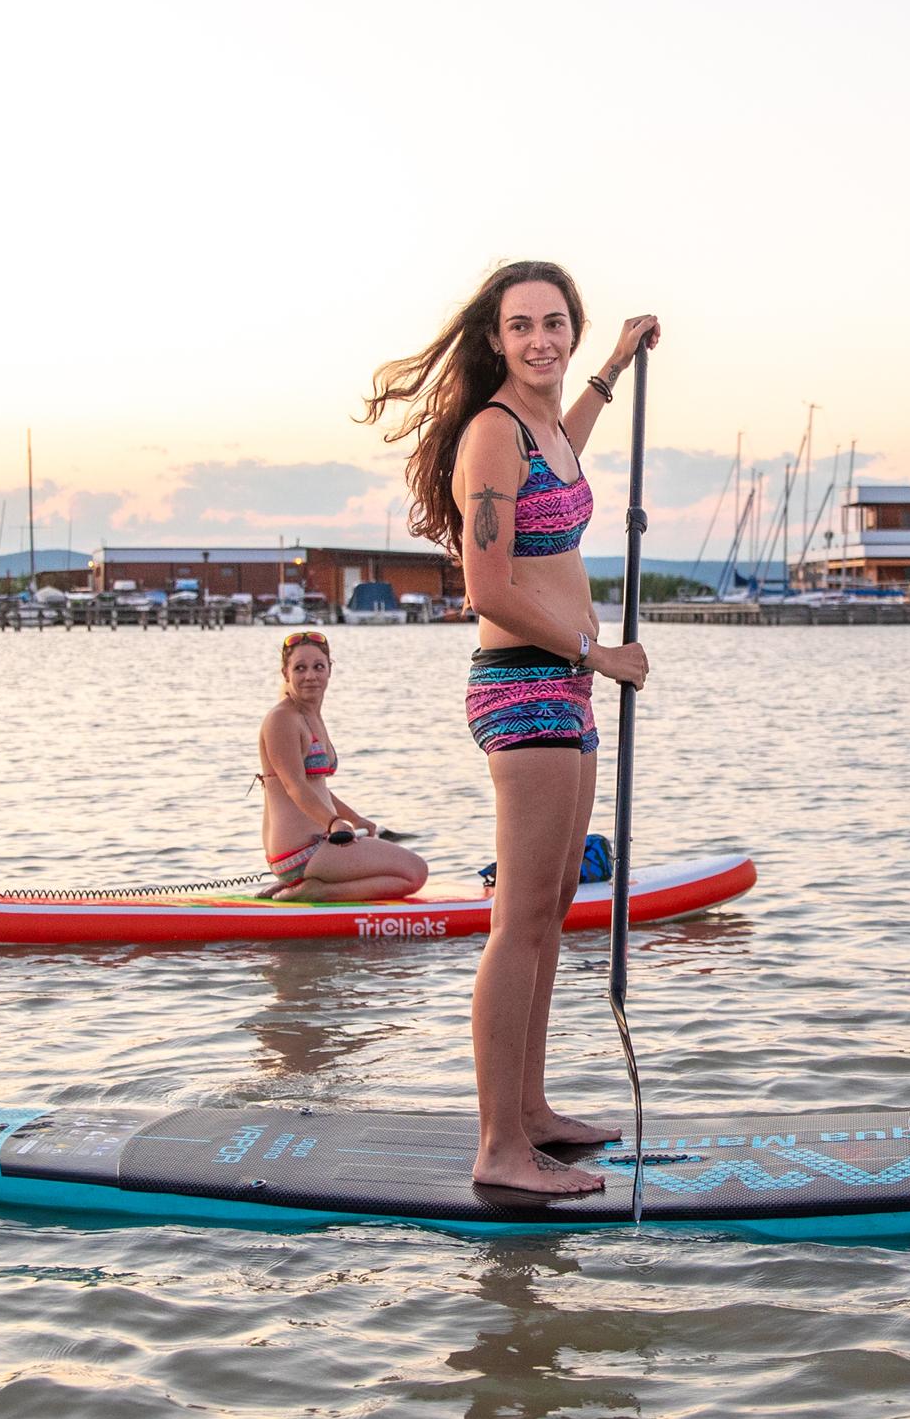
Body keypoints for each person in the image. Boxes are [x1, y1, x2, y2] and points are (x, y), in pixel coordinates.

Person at [363, 261, 660, 1196]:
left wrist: (612, 365)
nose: (542, 340)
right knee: (518, 920)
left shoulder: (541, 428)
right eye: (522, 325)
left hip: (562, 689)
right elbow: (486, 587)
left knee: (551, 908)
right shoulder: (493, 435)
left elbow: (566, 446)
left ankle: (531, 1112)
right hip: (525, 686)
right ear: (495, 338)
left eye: (557, 323)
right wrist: (596, 651)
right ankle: (499, 1147)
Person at [257, 630, 427, 903]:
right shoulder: (282, 719)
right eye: (300, 668)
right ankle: (314, 890)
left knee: (409, 870)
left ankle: (308, 885)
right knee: (415, 873)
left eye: (318, 667)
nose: (310, 675)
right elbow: (294, 786)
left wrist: (355, 819)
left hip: (322, 844)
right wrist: (334, 822)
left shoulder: (311, 715)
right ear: (285, 673)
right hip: (300, 853)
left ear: (329, 671)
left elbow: (317, 788)